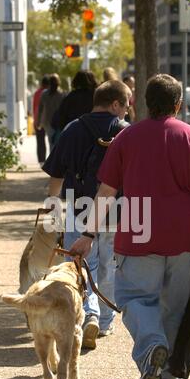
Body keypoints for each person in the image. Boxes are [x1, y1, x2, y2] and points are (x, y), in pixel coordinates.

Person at [69, 74, 190, 379]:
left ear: (142, 103)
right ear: (178, 104)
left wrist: (88, 234)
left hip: (139, 228)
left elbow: (106, 191)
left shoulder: (126, 138)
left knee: (135, 297)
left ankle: (152, 347)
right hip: (184, 234)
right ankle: (166, 374)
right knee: (174, 305)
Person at [42, 80, 131, 349]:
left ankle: (88, 314)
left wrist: (52, 209)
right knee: (109, 266)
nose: (127, 111)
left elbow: (56, 173)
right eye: (126, 105)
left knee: (80, 266)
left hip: (79, 210)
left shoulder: (72, 129)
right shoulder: (126, 133)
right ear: (115, 104)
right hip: (117, 212)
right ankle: (104, 322)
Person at [37, 73, 64, 151]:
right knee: (58, 143)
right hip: (59, 122)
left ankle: (52, 160)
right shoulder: (61, 94)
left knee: (51, 143)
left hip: (48, 122)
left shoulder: (44, 94)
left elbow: (40, 109)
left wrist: (38, 122)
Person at [33, 75, 49, 165]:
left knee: (40, 141)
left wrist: (35, 120)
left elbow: (35, 107)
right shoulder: (50, 92)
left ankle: (41, 161)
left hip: (38, 119)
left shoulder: (37, 93)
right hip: (49, 120)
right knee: (52, 141)